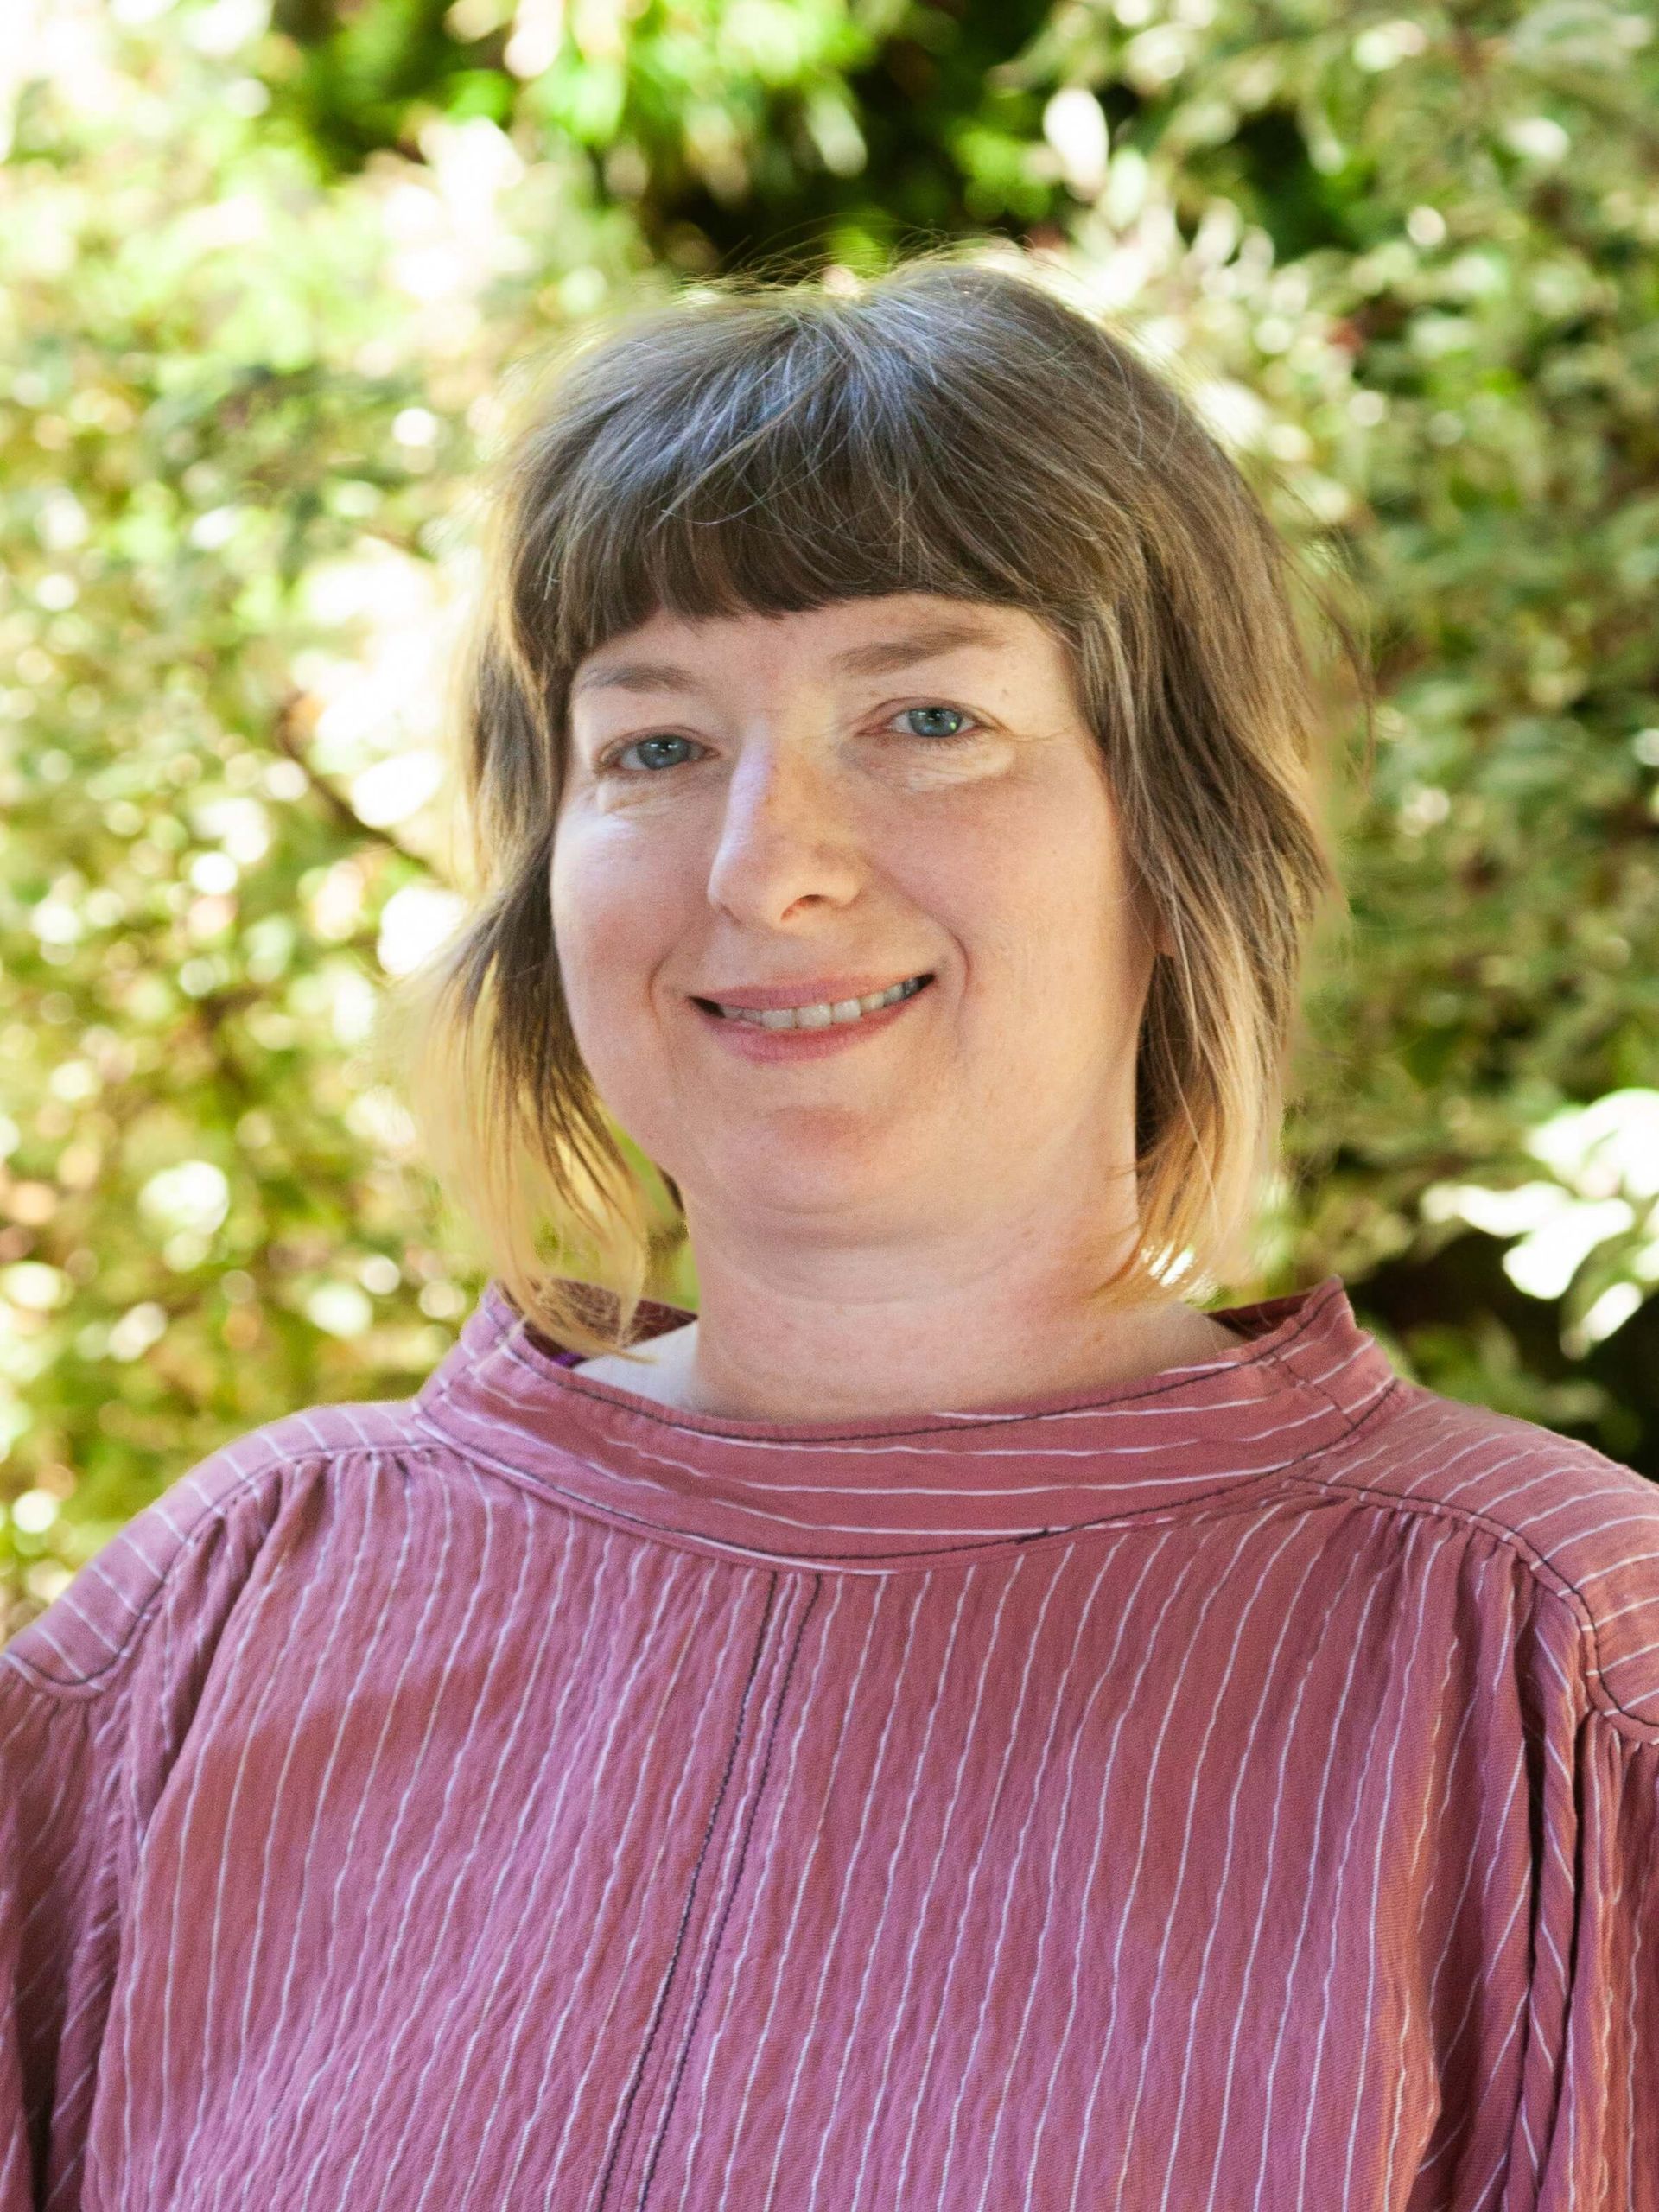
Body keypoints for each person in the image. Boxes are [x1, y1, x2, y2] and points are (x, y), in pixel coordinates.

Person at [3, 252, 1655, 2212]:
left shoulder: (1544, 1666)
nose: (768, 863)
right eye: (657, 743)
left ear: (1176, 828)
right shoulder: (215, 1622)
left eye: (928, 714)